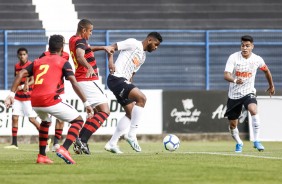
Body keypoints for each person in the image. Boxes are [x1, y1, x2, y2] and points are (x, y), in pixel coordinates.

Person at [5, 35, 93, 164]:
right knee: (78, 120)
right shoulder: (63, 61)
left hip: (34, 101)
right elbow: (74, 82)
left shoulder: (37, 61)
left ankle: (42, 156)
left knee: (45, 122)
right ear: (62, 48)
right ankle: (64, 148)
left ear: (49, 47)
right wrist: (86, 102)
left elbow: (21, 74)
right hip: (49, 99)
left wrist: (11, 94)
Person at [104, 32, 163, 154]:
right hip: (116, 78)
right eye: (156, 44)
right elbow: (111, 48)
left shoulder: (143, 57)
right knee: (142, 99)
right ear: (150, 40)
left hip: (123, 81)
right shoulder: (133, 43)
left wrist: (130, 83)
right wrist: (111, 62)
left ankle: (111, 143)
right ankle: (132, 134)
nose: (156, 48)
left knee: (131, 113)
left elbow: (132, 73)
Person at [224, 35, 275, 153]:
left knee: (253, 109)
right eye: (243, 45)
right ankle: (239, 142)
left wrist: (271, 85)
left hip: (249, 92)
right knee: (232, 125)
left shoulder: (257, 59)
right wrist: (236, 80)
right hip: (234, 95)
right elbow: (226, 75)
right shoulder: (233, 57)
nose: (245, 48)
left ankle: (256, 140)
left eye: (247, 46)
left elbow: (266, 70)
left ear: (252, 46)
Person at [69, 19, 114, 155]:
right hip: (87, 79)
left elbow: (85, 49)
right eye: (90, 31)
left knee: (93, 113)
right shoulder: (81, 41)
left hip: (81, 80)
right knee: (105, 111)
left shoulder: (74, 39)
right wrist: (89, 66)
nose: (91, 34)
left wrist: (102, 48)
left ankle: (80, 141)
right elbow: (80, 55)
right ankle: (83, 140)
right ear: (83, 30)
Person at [4, 48, 40, 149]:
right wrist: (12, 93)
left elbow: (34, 79)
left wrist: (26, 84)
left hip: (28, 97)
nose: (22, 56)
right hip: (18, 97)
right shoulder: (16, 66)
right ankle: (14, 143)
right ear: (18, 56)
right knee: (14, 117)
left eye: (24, 54)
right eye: (20, 54)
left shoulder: (31, 65)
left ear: (27, 55)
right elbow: (16, 79)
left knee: (32, 119)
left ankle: (45, 139)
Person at [38, 50, 70, 152]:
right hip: (48, 90)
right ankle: (46, 142)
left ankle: (56, 143)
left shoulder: (66, 55)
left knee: (61, 118)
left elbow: (64, 72)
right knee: (47, 120)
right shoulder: (44, 55)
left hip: (60, 91)